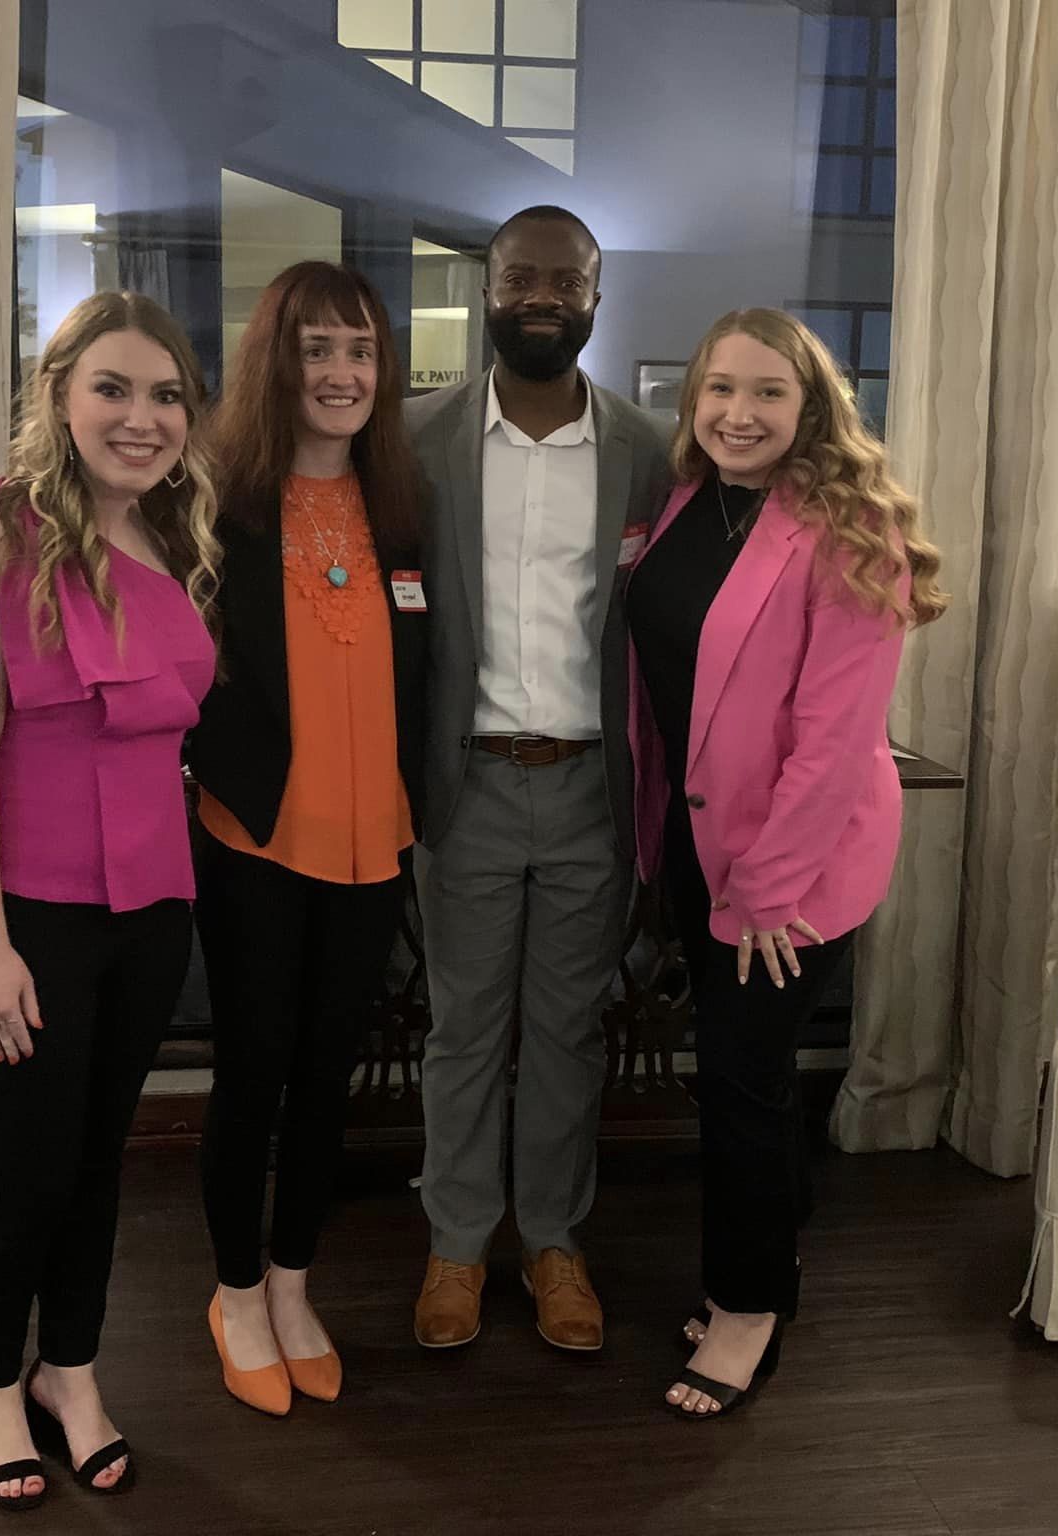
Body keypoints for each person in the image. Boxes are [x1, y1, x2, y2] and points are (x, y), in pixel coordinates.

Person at [0, 291, 220, 1507]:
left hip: (151, 909)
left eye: (164, 396)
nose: (140, 417)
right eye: (113, 387)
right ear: (59, 395)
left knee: (100, 1165)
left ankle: (72, 1371)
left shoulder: (175, 538)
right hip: (24, 911)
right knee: (29, 1171)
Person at [626, 308, 946, 1418]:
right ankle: (769, 1273)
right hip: (692, 841)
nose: (736, 412)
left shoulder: (851, 528)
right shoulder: (688, 504)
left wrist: (763, 889)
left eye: (765, 392)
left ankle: (748, 1310)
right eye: (718, 388)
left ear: (810, 407)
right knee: (737, 1079)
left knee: (740, 1085)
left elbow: (834, 738)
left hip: (787, 875)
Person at [405, 206, 670, 1353]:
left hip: (588, 791)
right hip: (459, 786)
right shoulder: (414, 439)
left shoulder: (651, 451)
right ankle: (457, 1247)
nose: (540, 296)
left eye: (565, 280)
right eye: (520, 276)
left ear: (596, 299)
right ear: (486, 289)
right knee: (463, 1029)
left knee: (567, 1031)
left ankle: (552, 1242)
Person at [186, 262, 428, 1415]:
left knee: (328, 1076)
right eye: (316, 348)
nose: (340, 373)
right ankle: (233, 1291)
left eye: (361, 351)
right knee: (253, 1073)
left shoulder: (402, 509)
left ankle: (292, 1281)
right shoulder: (214, 505)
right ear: (273, 362)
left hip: (374, 843)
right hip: (255, 837)